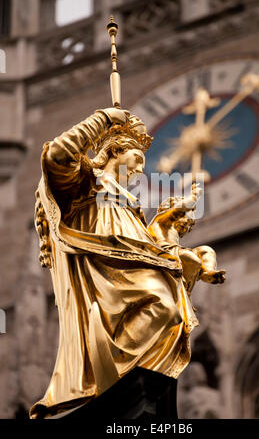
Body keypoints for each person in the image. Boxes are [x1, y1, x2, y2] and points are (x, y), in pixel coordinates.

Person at [30, 107, 200, 419]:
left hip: (129, 267)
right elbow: (58, 154)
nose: (139, 170)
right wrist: (105, 118)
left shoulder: (131, 204)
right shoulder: (84, 181)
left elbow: (149, 247)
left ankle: (119, 371)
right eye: (137, 159)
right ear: (115, 151)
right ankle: (108, 369)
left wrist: (169, 230)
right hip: (102, 274)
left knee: (169, 312)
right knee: (162, 307)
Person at [148, 184, 226, 296]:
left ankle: (207, 272)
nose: (187, 225)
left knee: (205, 250)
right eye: (185, 219)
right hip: (162, 252)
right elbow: (180, 209)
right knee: (191, 258)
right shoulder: (162, 220)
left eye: (190, 224)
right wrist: (194, 197)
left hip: (176, 252)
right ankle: (184, 292)